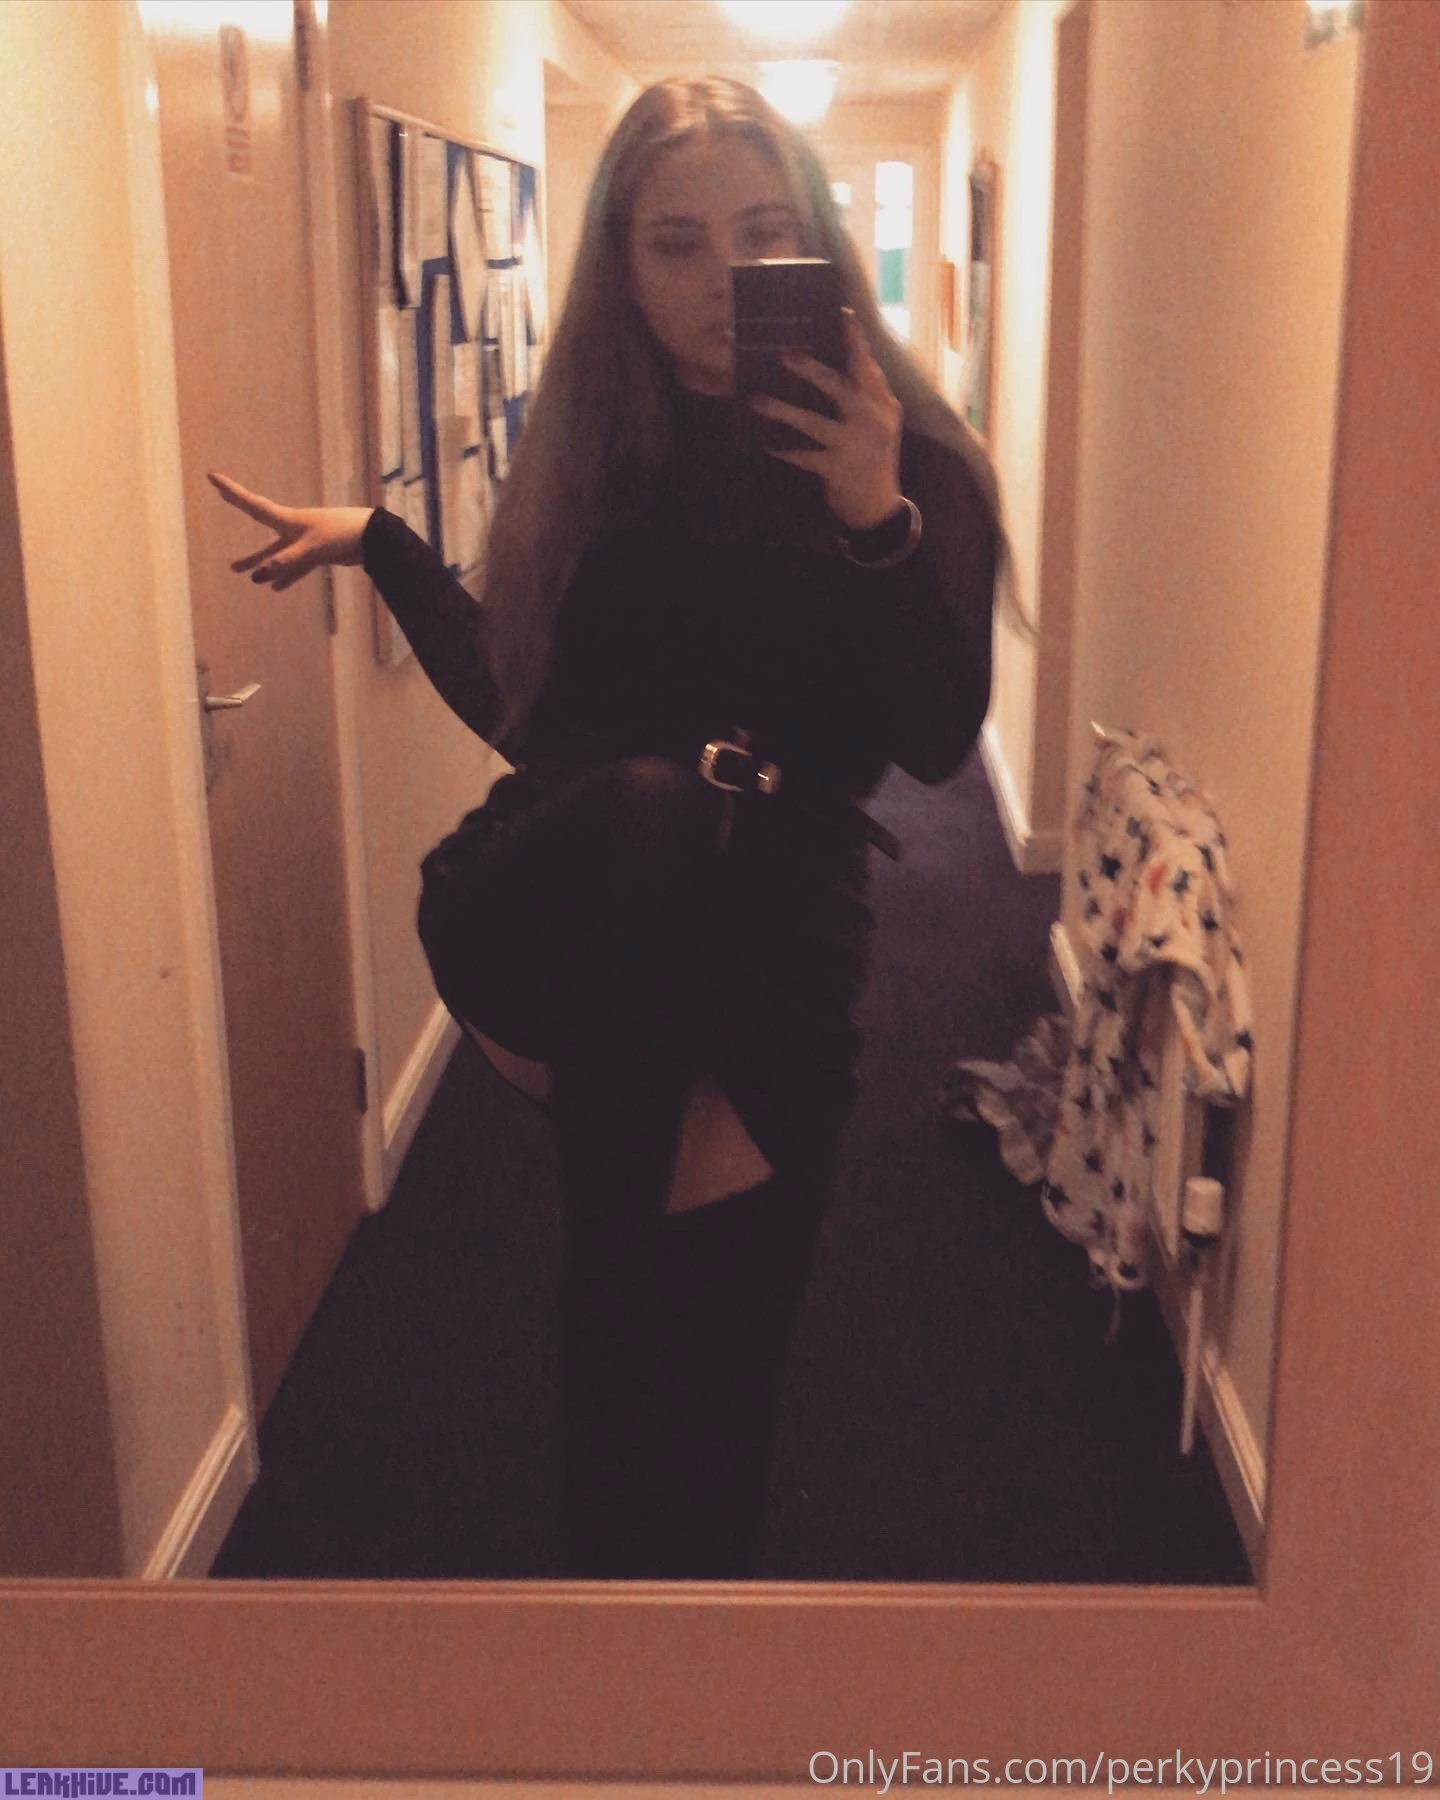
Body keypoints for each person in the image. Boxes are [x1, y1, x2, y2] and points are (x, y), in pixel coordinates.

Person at [209, 76, 1010, 1580]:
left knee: (716, 1383)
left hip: (776, 944)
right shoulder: (599, 462)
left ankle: (671, 1633)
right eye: (676, 243)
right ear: (622, 268)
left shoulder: (922, 465)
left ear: (818, 240)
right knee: (626, 1274)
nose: (719, 281)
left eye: (760, 235)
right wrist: (382, 545)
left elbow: (933, 738)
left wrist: (876, 516)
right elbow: (535, 718)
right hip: (571, 892)